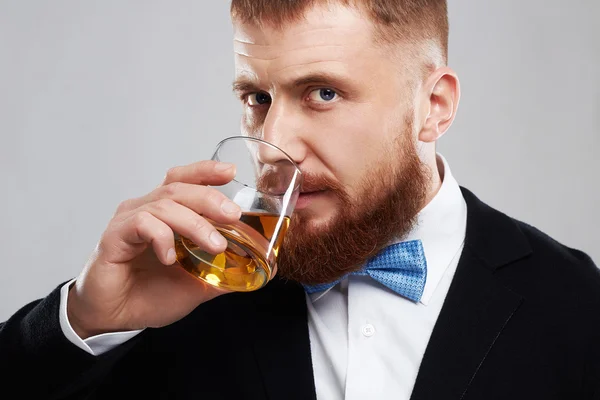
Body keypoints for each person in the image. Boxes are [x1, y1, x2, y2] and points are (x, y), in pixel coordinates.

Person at [1, 1, 599, 399]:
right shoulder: (187, 287)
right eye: (257, 97)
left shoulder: (578, 306)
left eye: (322, 92)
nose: (271, 145)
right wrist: (86, 321)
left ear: (433, 107)